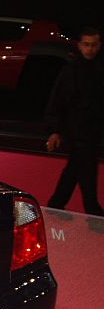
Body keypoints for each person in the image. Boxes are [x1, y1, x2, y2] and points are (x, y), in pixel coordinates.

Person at [45, 26, 104, 217]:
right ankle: (92, 210)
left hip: (93, 128)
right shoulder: (71, 70)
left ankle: (56, 205)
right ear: (80, 45)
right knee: (86, 168)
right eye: (87, 44)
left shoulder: (99, 69)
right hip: (75, 128)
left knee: (75, 168)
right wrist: (55, 130)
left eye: (94, 45)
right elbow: (58, 100)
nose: (90, 49)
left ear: (99, 45)